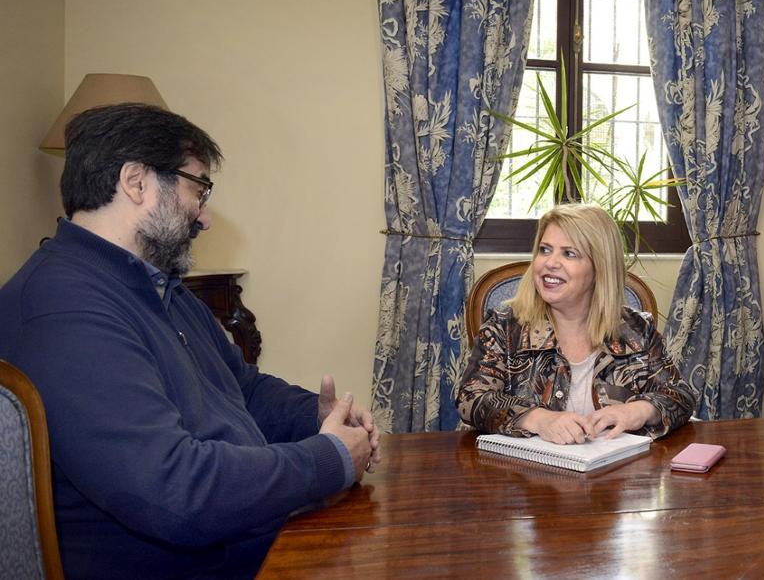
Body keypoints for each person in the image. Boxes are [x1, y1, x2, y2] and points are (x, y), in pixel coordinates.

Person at [0, 104, 381, 579]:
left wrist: (316, 417)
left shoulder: (160, 287)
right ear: (136, 182)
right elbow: (176, 492)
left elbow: (242, 389)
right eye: (198, 189)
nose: (205, 218)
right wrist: (330, 459)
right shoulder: (63, 308)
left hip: (254, 542)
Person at [457, 203, 694, 443]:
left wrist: (639, 410)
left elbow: (681, 395)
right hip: (524, 475)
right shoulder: (505, 326)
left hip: (614, 474)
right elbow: (470, 397)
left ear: (600, 268)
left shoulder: (636, 331)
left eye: (569, 253)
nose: (550, 262)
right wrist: (539, 419)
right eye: (545, 249)